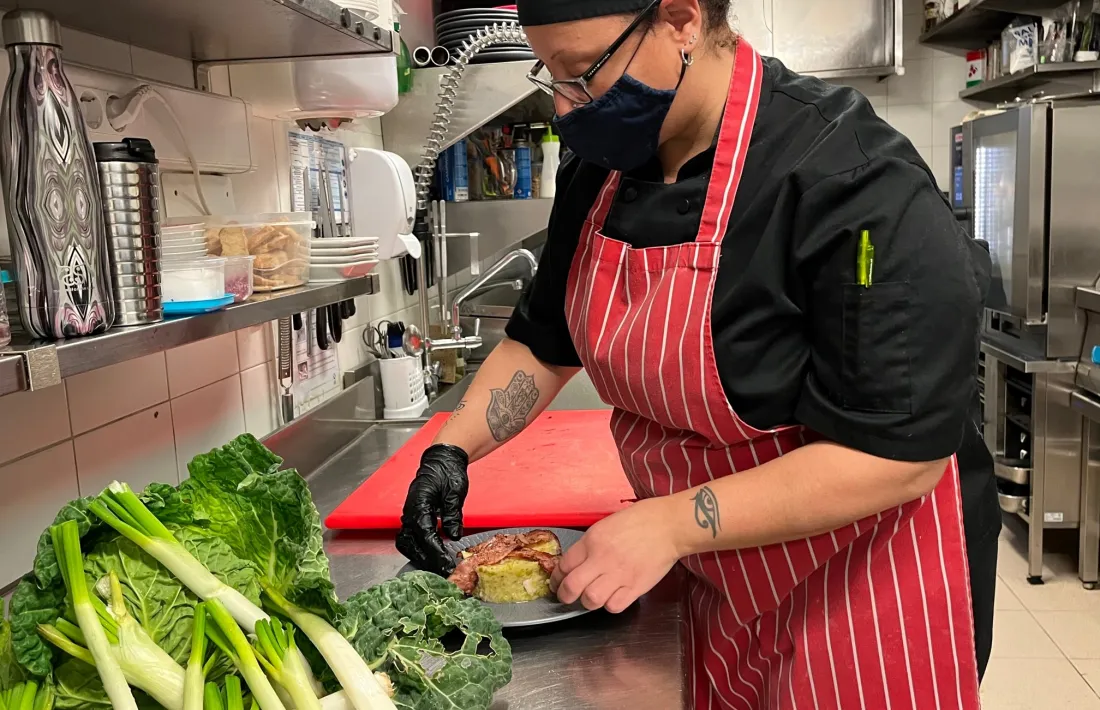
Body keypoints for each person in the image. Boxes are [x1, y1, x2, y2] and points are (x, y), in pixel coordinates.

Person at [397, 1, 994, 706]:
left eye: (581, 74)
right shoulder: (601, 167)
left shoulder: (850, 176)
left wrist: (671, 524)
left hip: (860, 579)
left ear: (680, 19)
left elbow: (899, 454)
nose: (564, 108)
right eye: (548, 75)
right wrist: (453, 449)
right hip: (717, 567)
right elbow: (544, 340)